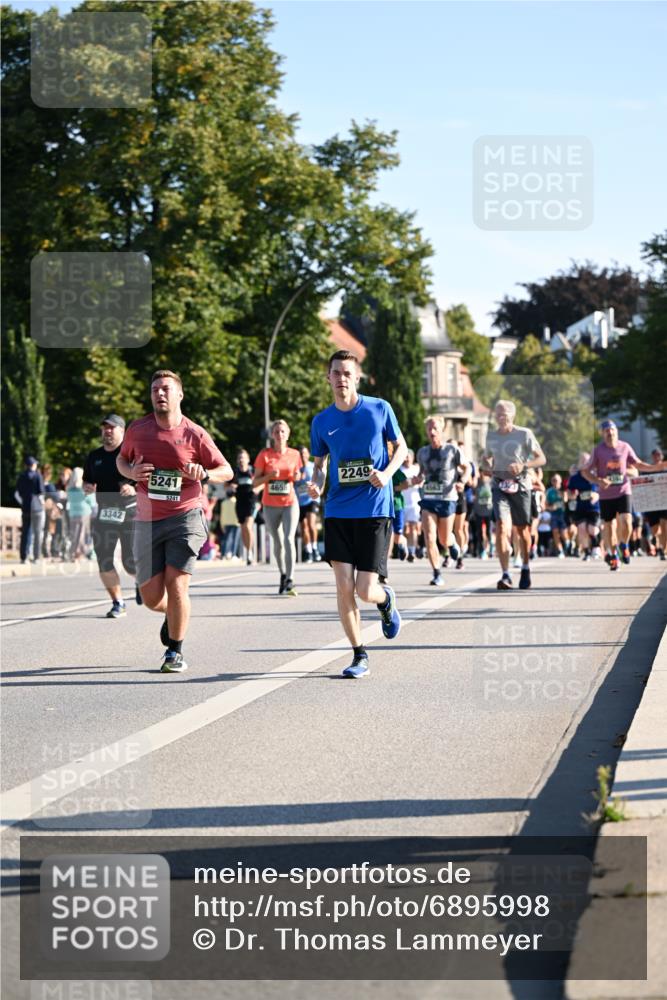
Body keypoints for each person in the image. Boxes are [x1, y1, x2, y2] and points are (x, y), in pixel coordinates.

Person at [117, 370, 232, 673]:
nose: (160, 394)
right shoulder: (138, 429)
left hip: (185, 516)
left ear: (179, 395)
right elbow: (122, 459)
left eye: (166, 389)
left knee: (177, 584)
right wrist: (131, 473)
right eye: (155, 389)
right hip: (147, 519)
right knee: (153, 597)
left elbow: (226, 470)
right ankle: (173, 615)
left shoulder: (195, 434)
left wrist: (204, 474)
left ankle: (175, 651)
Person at [307, 350, 405, 679]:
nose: (341, 379)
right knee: (343, 587)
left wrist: (388, 473)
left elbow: (401, 447)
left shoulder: (379, 409)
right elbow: (320, 466)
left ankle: (385, 599)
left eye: (347, 373)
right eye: (336, 373)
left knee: (366, 590)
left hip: (375, 508)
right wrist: (316, 485)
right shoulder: (321, 421)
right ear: (328, 378)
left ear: (357, 377)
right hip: (337, 510)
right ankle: (359, 653)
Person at [582, 420, 666, 571]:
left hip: (623, 490)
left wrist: (655, 467)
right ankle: (613, 556)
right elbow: (585, 471)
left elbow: (638, 464)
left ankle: (624, 545)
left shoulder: (625, 447)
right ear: (602, 434)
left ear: (616, 431)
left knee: (627, 520)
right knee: (608, 526)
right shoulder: (598, 451)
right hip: (606, 494)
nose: (610, 433)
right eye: (606, 431)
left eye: (612, 430)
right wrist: (598, 481)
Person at [480, 399, 546, 590]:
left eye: (504, 413)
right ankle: (506, 574)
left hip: (522, 486)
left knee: (523, 531)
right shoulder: (491, 436)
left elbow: (541, 458)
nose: (501, 417)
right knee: (501, 527)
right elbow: (487, 460)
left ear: (512, 415)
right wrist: (486, 465)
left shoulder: (524, 434)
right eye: (497, 413)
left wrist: (523, 466)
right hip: (499, 486)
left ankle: (525, 567)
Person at [82, 414, 140, 618]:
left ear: (122, 431)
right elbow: (87, 481)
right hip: (106, 513)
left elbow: (146, 480)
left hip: (131, 511)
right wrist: (87, 487)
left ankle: (140, 580)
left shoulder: (131, 453)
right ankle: (118, 602)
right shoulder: (94, 457)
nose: (107, 431)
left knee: (129, 561)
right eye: (104, 427)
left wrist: (134, 489)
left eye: (112, 428)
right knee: (103, 559)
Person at [415, 417, 470, 587]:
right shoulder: (422, 452)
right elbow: (422, 472)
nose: (432, 432)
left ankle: (452, 543)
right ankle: (437, 573)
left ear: (442, 430)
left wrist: (463, 481)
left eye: (435, 428)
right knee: (429, 536)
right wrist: (417, 479)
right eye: (429, 429)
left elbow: (466, 467)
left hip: (447, 499)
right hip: (428, 499)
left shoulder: (452, 450)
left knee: (444, 539)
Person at [253, 420, 302, 596]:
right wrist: (268, 477)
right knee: (278, 542)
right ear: (272, 435)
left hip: (290, 503)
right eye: (276, 432)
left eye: (282, 432)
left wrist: (297, 476)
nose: (279, 435)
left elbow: (298, 475)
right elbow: (255, 483)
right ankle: (282, 574)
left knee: (289, 538)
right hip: (270, 505)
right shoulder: (264, 455)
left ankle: (290, 579)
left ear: (288, 434)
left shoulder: (295, 454)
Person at [567, 452, 601, 561]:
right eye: (582, 461)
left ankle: (596, 546)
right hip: (581, 507)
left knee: (593, 530)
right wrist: (572, 494)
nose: (585, 463)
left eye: (587, 461)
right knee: (581, 529)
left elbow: (603, 487)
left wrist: (596, 495)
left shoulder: (595, 475)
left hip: (594, 507)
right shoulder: (575, 478)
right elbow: (569, 493)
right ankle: (587, 552)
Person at [229, 449, 259, 565]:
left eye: (243, 458)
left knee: (248, 526)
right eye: (239, 458)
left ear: (248, 460)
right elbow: (227, 485)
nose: (241, 460)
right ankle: (248, 551)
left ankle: (251, 554)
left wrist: (258, 489)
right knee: (243, 529)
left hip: (251, 501)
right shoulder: (235, 472)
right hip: (240, 502)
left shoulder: (253, 471)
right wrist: (231, 487)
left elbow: (262, 483)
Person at [14, 456, 44, 563]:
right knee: (37, 533)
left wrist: (23, 503)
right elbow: (41, 494)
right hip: (37, 508)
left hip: (26, 507)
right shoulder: (38, 475)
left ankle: (24, 556)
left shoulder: (22, 476)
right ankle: (36, 557)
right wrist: (42, 504)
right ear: (33, 465)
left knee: (25, 532)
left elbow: (16, 494)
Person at [297, 445, 322, 563]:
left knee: (311, 524)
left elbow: (320, 479)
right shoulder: (295, 469)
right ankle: (308, 551)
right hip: (300, 501)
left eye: (305, 453)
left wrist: (316, 488)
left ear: (308, 454)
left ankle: (315, 548)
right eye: (300, 454)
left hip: (312, 500)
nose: (303, 456)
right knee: (304, 527)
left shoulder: (313, 467)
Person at [644, 447, 667, 560]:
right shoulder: (647, 470)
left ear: (662, 456)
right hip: (652, 503)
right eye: (655, 455)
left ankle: (663, 550)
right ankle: (657, 544)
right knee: (655, 529)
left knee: (664, 525)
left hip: (664, 501)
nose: (657, 457)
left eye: (659, 455)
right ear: (652, 457)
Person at [67, 467, 95, 560]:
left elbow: (69, 499)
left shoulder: (69, 488)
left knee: (74, 533)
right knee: (82, 533)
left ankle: (74, 552)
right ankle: (78, 552)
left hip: (73, 513)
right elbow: (91, 500)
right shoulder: (83, 488)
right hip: (84, 512)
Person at [400, 449, 422, 562]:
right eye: (405, 456)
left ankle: (412, 551)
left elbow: (422, 482)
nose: (407, 458)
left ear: (412, 458)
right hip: (402, 503)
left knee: (413, 527)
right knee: (404, 529)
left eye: (409, 456)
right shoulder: (399, 469)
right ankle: (405, 548)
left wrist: (419, 481)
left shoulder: (417, 469)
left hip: (414, 502)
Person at [545, 473, 567, 558]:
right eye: (553, 480)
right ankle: (560, 550)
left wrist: (563, 493)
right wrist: (551, 507)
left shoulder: (563, 490)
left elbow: (566, 501)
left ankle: (568, 545)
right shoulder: (549, 491)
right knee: (555, 532)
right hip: (554, 514)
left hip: (563, 514)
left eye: (557, 480)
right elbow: (545, 504)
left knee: (563, 533)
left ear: (560, 481)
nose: (555, 482)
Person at [473, 471, 494, 559]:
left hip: (489, 511)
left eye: (485, 473)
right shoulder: (477, 482)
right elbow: (471, 485)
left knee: (489, 532)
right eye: (481, 473)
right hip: (478, 511)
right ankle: (481, 550)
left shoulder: (491, 482)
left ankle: (490, 549)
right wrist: (475, 476)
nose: (483, 476)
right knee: (480, 532)